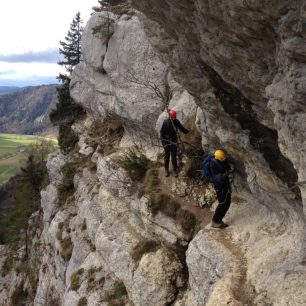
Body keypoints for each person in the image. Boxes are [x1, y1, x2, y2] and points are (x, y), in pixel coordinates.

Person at [160, 109, 189, 177]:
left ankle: (175, 169)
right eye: (173, 117)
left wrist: (186, 131)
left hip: (173, 140)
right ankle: (166, 169)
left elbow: (181, 128)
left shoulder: (176, 121)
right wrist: (165, 142)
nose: (174, 118)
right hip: (166, 141)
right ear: (170, 116)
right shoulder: (165, 122)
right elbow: (161, 133)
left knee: (173, 155)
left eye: (174, 117)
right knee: (167, 155)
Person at [209, 149, 233, 228]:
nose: (224, 160)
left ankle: (218, 220)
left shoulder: (220, 160)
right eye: (223, 159)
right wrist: (227, 174)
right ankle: (215, 221)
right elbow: (216, 178)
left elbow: (225, 163)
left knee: (227, 203)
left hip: (224, 185)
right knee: (223, 204)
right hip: (220, 188)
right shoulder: (212, 165)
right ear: (218, 159)